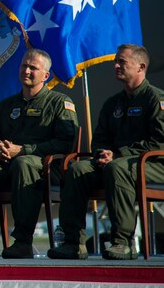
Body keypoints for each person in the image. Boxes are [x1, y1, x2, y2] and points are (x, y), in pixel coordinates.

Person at [0, 48, 79, 259]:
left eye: (33, 67)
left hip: (44, 169)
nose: (27, 71)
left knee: (24, 163)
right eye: (24, 66)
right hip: (4, 166)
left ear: (46, 75)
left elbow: (65, 143)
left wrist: (22, 150)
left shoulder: (59, 103)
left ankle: (22, 241)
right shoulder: (6, 106)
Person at [48, 44, 164, 260]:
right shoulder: (113, 104)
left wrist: (118, 154)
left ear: (141, 67)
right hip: (116, 163)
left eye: (122, 62)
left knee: (117, 168)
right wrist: (102, 152)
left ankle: (123, 242)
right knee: (77, 170)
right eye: (116, 61)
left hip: (153, 165)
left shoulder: (156, 100)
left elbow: (159, 143)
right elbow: (100, 138)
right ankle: (73, 242)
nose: (116, 65)